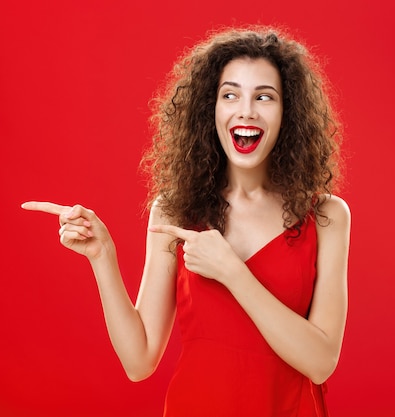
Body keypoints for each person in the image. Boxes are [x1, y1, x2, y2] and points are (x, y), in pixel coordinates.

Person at [22, 25, 351, 417]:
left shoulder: (328, 216)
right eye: (230, 95)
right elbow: (139, 360)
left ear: (288, 112)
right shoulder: (175, 209)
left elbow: (320, 361)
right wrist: (102, 256)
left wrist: (231, 271)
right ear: (210, 108)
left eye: (264, 97)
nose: (246, 110)